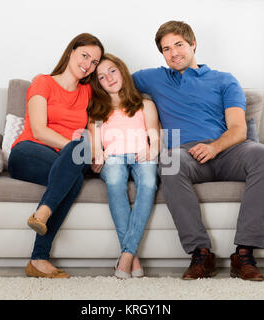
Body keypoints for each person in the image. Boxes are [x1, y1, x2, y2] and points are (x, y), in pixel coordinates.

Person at [132, 21, 264, 281]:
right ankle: (201, 254)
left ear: (193, 44)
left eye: (179, 44)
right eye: (166, 49)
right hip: (186, 155)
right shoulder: (154, 78)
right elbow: (113, 80)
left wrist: (214, 147)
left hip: (229, 150)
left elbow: (238, 129)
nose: (174, 52)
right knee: (169, 162)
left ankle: (244, 254)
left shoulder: (224, 80)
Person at [8, 33, 104, 279]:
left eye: (94, 62)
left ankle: (39, 247)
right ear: (71, 51)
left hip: (72, 160)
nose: (88, 64)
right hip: (30, 152)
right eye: (85, 56)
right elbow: (39, 129)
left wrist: (96, 151)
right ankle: (38, 257)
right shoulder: (42, 82)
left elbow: (93, 130)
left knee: (75, 166)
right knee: (74, 161)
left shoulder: (89, 93)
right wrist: (75, 149)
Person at [87, 53, 160, 279]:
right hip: (113, 158)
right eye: (101, 77)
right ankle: (133, 257)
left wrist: (154, 148)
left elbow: (155, 135)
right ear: (97, 84)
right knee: (116, 182)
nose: (108, 78)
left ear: (122, 70)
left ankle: (126, 255)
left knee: (149, 184)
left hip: (141, 154)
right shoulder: (97, 109)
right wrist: (97, 155)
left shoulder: (144, 104)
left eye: (112, 71)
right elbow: (94, 143)